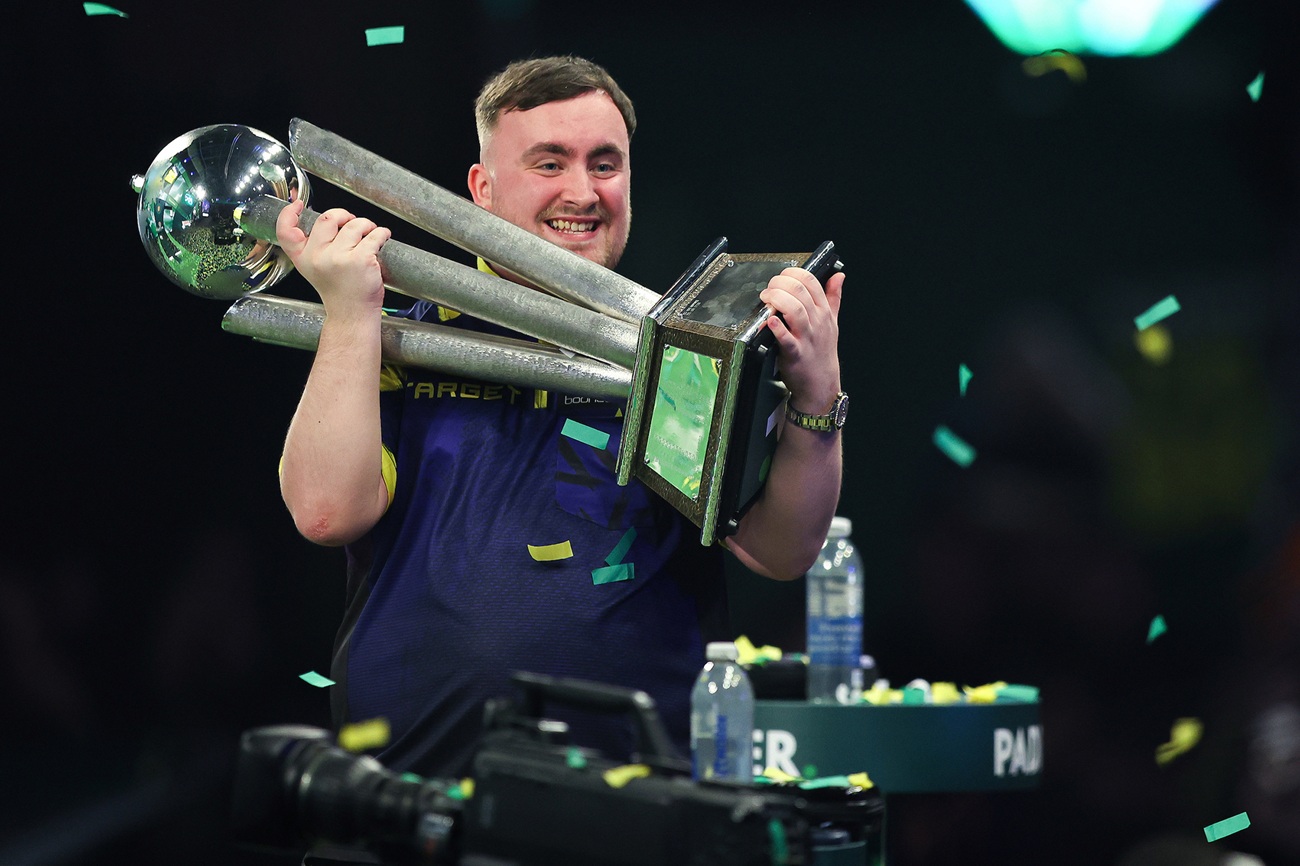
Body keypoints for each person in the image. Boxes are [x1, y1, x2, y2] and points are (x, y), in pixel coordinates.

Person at [274, 55, 847, 782]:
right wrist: (348, 314)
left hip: (640, 803)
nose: (582, 191)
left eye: (605, 165)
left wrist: (817, 396)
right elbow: (326, 512)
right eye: (549, 163)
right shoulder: (391, 340)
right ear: (481, 189)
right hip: (415, 796)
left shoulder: (688, 358)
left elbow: (782, 551)